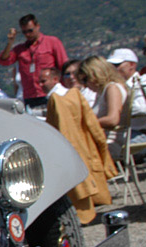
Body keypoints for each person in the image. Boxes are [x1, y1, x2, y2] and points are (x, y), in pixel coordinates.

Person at [45, 85, 117, 224]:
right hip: (85, 153)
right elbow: (97, 132)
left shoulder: (60, 100)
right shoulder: (74, 98)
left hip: (74, 153)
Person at [0, 14, 68, 113]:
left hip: (50, 93)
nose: (28, 34)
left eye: (30, 30)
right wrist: (10, 42)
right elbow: (4, 60)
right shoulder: (20, 49)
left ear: (37, 26)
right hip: (30, 97)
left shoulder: (52, 42)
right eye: (24, 32)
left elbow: (63, 65)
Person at [107, 47, 146, 159]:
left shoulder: (145, 81)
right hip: (120, 134)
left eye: (117, 65)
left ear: (132, 65)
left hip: (140, 133)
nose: (113, 69)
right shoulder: (113, 87)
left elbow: (143, 109)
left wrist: (115, 109)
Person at [76, 56, 126, 132]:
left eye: (85, 79)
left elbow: (113, 119)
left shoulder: (112, 88)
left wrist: (86, 124)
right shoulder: (101, 92)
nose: (85, 84)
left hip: (110, 141)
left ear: (95, 74)